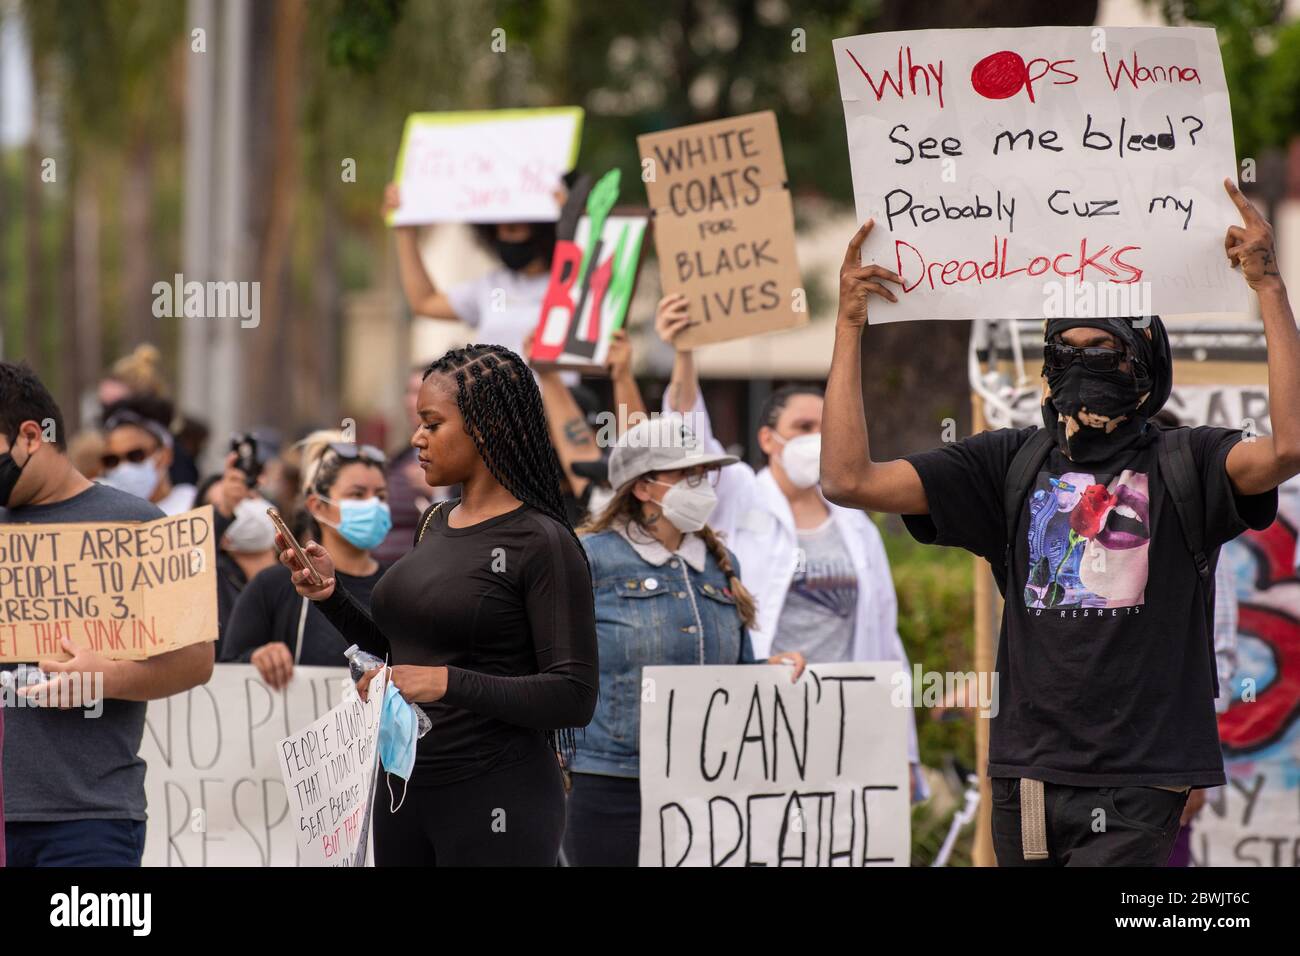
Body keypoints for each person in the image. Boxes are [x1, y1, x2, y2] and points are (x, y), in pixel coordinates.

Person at [820, 179, 1296, 866]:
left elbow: (1288, 447)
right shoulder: (1005, 462)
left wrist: (1270, 288)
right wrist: (849, 325)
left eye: (1102, 351)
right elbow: (847, 478)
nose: (1083, 367)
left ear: (1144, 365)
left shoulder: (1188, 461)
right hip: (1029, 776)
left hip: (1143, 776)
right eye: (1066, 352)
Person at [281, 344, 597, 866]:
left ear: (487, 427)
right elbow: (404, 653)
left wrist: (446, 681)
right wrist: (332, 597)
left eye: (433, 423)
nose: (417, 438)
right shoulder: (435, 522)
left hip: (498, 797)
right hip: (405, 788)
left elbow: (574, 694)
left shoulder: (542, 541)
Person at [654, 293, 928, 800]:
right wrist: (685, 354)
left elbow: (885, 641)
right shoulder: (737, 494)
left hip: (843, 725)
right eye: (803, 428)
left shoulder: (857, 526)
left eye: (825, 429)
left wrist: (904, 750)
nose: (816, 439)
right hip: (757, 721)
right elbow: (689, 439)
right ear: (766, 440)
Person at [565, 412, 806, 866]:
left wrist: (768, 673)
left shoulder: (722, 562)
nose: (702, 483)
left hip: (705, 788)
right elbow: (555, 669)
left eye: (703, 473)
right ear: (642, 487)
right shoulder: (588, 559)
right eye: (686, 473)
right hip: (610, 784)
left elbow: (736, 672)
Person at [0, 361, 214, 867]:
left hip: (89, 821)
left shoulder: (140, 524)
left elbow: (197, 659)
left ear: (31, 436)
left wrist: (108, 677)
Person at [221, 433, 391, 689]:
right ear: (317, 506)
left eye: (380, 496)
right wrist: (256, 658)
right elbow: (226, 673)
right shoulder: (274, 586)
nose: (373, 505)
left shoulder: (398, 586)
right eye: (357, 495)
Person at [382, 182, 578, 384]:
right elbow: (424, 302)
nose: (504, 236)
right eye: (497, 228)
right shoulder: (491, 285)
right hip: (495, 412)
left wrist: (575, 222)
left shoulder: (576, 283)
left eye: (513, 227)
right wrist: (404, 231)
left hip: (558, 411)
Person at [373, 366, 457, 565]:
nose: (412, 402)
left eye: (419, 393)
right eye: (409, 392)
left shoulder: (458, 465)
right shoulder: (396, 461)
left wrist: (439, 494)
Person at [99, 395, 195, 515]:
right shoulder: (103, 514)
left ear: (165, 455)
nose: (123, 468)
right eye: (112, 460)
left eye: (135, 456)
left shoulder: (195, 507)